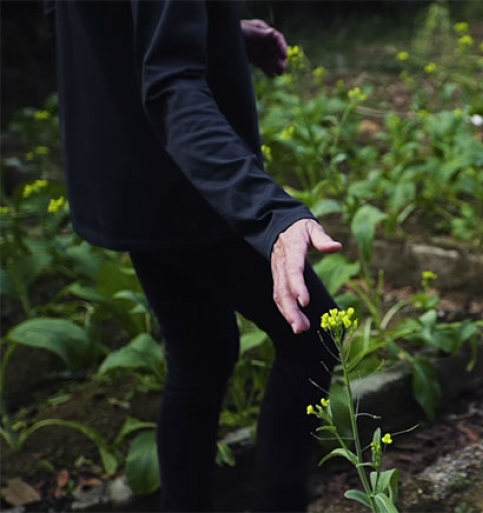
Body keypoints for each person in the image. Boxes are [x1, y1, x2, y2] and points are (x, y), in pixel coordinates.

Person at [48, 1, 341, 511]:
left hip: (128, 175)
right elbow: (171, 86)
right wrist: (268, 212)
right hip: (188, 186)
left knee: (201, 354)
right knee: (313, 335)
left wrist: (214, 30)